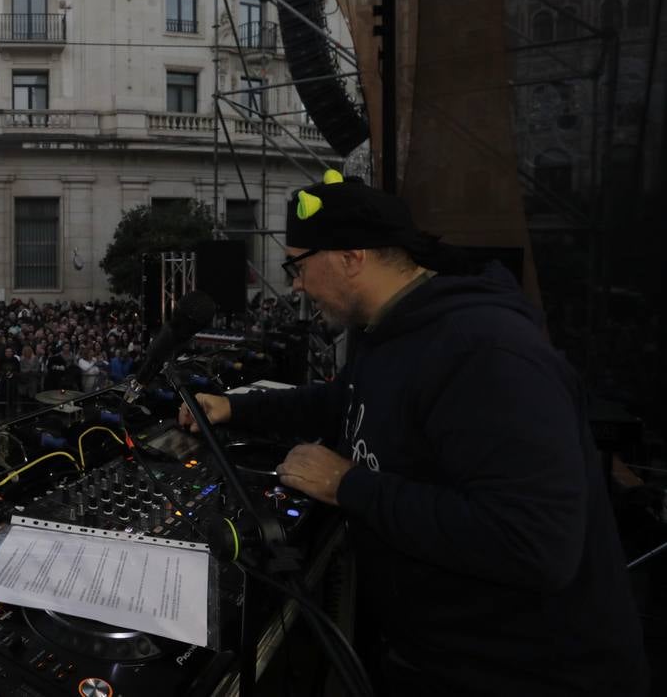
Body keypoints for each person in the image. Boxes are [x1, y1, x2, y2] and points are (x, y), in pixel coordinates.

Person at [178, 172, 647, 696]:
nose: (297, 284)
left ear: (351, 257)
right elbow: (346, 398)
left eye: (298, 264)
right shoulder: (389, 330)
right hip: (434, 654)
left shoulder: (486, 352)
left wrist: (348, 486)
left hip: (525, 673)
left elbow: (534, 543)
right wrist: (235, 410)